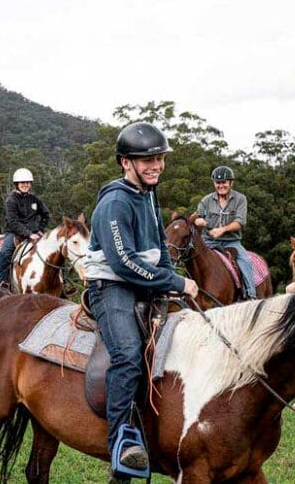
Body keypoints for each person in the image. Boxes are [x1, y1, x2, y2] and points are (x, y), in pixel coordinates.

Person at [84, 122, 198, 479]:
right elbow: (124, 263)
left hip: (145, 284)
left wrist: (173, 282)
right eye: (145, 159)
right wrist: (175, 280)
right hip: (112, 287)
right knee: (129, 355)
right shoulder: (115, 201)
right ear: (125, 163)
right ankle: (121, 442)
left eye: (159, 158)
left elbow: (160, 250)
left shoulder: (149, 195)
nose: (155, 165)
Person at [193, 166, 255, 299]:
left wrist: (223, 229)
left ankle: (250, 294)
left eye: (224, 182)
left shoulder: (240, 199)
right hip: (208, 241)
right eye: (218, 183)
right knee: (191, 257)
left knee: (245, 261)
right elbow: (198, 217)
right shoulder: (206, 200)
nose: (221, 185)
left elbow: (239, 222)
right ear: (214, 183)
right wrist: (199, 221)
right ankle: (185, 290)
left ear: (231, 183)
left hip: (231, 242)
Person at [0, 168, 51, 290]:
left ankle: (62, 282)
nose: (25, 185)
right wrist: (29, 234)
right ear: (16, 184)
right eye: (22, 183)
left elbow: (46, 214)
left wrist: (40, 229)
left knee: (54, 249)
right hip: (15, 233)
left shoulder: (34, 199)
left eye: (27, 182)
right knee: (4, 254)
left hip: (35, 232)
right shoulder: (11, 200)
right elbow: (13, 222)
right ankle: (3, 283)